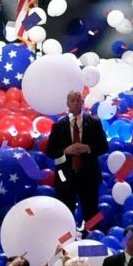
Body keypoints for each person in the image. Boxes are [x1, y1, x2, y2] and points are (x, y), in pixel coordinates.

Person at [44, 88, 107, 225]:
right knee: (64, 211)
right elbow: (50, 151)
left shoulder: (94, 123)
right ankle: (65, 240)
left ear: (82, 103)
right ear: (67, 103)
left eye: (79, 100)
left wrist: (88, 148)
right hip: (65, 176)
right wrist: (66, 150)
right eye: (73, 101)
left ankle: (93, 239)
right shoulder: (58, 125)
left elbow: (104, 147)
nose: (76, 103)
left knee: (92, 211)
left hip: (89, 175)